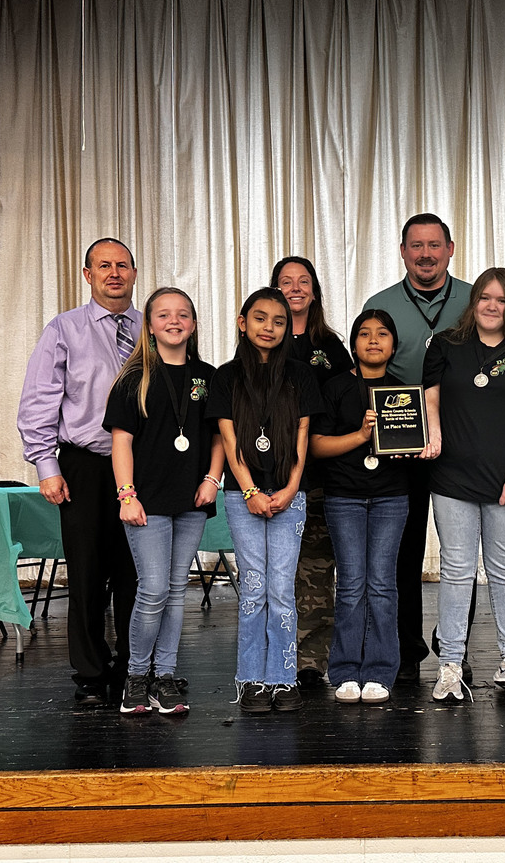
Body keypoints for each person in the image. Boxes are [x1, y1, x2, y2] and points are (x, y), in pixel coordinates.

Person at [422, 268, 505, 703]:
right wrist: (435, 434)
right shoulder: (445, 345)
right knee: (456, 573)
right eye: (485, 297)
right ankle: (450, 666)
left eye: (501, 299)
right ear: (473, 301)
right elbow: (431, 398)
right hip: (452, 479)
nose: (492, 306)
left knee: (503, 572)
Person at [18, 237, 141, 706]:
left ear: (133, 273)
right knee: (88, 573)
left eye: (123, 265)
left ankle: (137, 666)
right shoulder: (63, 329)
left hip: (141, 468)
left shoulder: (151, 328)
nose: (115, 273)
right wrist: (46, 466)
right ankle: (90, 672)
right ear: (87, 275)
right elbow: (38, 402)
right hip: (85, 465)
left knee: (138, 574)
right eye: (104, 266)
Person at [363, 212, 474, 684]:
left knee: (459, 554)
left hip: (462, 444)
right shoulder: (380, 303)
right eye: (416, 246)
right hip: (400, 448)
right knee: (401, 552)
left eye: (435, 245)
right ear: (403, 251)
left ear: (450, 249)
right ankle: (404, 648)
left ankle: (455, 646)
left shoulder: (475, 299)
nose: (426, 254)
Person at [104, 287, 224, 715]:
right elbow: (121, 444)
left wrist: (213, 478)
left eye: (183, 314)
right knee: (152, 590)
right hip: (145, 502)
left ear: (193, 323)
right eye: (163, 315)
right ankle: (136, 678)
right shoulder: (133, 378)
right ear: (149, 325)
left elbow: (219, 437)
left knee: (176, 591)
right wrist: (126, 495)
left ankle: (165, 677)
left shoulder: (208, 377)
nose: (174, 321)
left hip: (191, 498)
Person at [205, 288, 322, 714]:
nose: (269, 327)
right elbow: (229, 439)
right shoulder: (225, 376)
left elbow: (304, 437)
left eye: (278, 321)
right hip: (242, 496)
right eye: (260, 318)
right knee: (253, 589)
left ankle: (283, 678)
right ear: (242, 323)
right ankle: (251, 679)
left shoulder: (301, 374)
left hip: (292, 494)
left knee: (282, 589)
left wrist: (291, 489)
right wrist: (251, 490)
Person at [310, 309, 410, 704]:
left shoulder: (404, 391)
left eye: (382, 334)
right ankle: (346, 670)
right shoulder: (334, 388)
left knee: (382, 585)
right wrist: (361, 435)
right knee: (351, 585)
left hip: (391, 496)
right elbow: (317, 446)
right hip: (343, 497)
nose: (373, 340)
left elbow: (413, 444)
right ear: (352, 344)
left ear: (393, 345)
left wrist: (409, 449)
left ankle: (382, 671)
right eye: (364, 334)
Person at [271, 257, 353, 687]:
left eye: (303, 282)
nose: (295, 288)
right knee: (275, 573)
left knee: (318, 572)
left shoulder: (332, 347)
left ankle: (310, 661)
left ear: (315, 292)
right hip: (272, 477)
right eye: (285, 282)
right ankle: (273, 657)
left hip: (323, 478)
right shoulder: (261, 341)